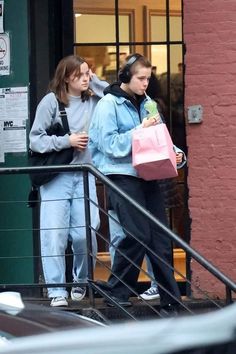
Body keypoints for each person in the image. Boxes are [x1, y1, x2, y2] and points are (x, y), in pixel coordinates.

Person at [89, 53, 185, 316]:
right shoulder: (108, 105)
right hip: (120, 175)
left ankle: (170, 298)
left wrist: (177, 154)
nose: (145, 83)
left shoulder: (149, 103)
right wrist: (139, 131)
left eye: (148, 78)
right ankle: (117, 289)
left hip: (148, 173)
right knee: (138, 233)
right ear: (125, 78)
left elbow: (160, 137)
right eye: (141, 78)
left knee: (159, 237)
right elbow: (107, 145)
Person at [29, 55, 108, 307]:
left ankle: (81, 280)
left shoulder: (95, 99)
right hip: (58, 176)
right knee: (55, 235)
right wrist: (67, 141)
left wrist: (95, 82)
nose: (85, 78)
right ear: (65, 77)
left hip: (86, 174)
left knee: (86, 232)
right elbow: (35, 140)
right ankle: (56, 290)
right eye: (80, 74)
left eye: (88, 73)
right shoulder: (51, 102)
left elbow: (117, 95)